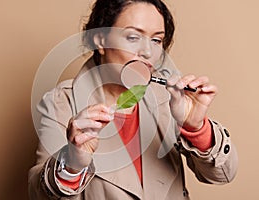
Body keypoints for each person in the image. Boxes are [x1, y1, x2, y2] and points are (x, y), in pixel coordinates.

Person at [28, 0, 238, 199]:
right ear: (101, 40)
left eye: (156, 40)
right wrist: (72, 163)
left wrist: (196, 128)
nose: (147, 52)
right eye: (132, 37)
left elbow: (221, 175)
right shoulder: (62, 102)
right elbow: (39, 195)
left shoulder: (168, 98)